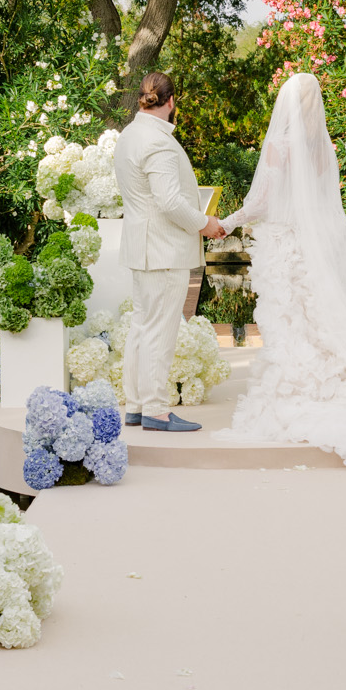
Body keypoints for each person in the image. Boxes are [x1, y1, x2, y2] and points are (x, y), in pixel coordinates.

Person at [217, 71, 346, 466]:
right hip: (310, 244)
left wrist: (228, 222)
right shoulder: (322, 149)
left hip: (282, 245)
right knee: (312, 315)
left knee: (287, 319)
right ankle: (325, 380)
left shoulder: (280, 145)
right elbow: (320, 203)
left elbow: (261, 203)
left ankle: (294, 389)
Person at [113, 70, 224, 434]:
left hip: (143, 248)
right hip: (163, 250)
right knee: (160, 330)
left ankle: (136, 405)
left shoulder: (130, 135)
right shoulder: (159, 142)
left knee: (142, 326)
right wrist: (204, 223)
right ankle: (157, 411)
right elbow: (169, 202)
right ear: (171, 101)